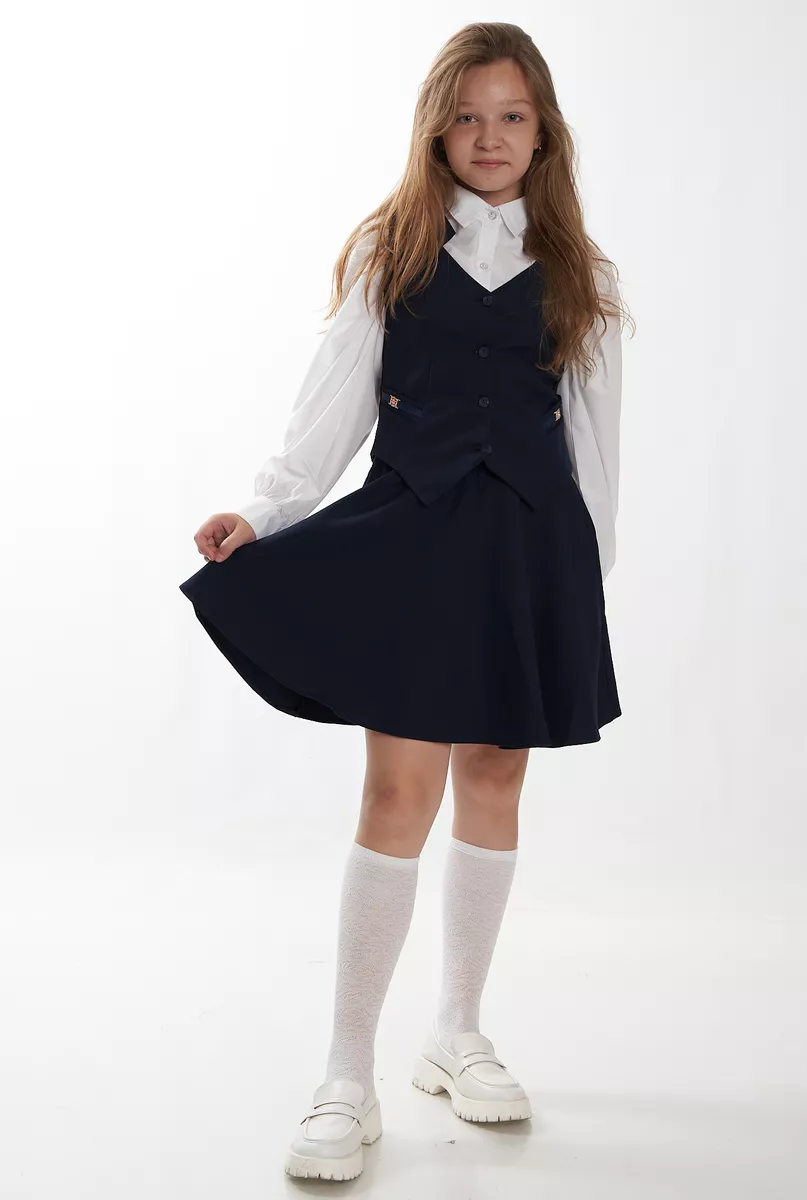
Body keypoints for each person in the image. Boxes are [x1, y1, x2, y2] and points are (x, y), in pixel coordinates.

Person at [178, 20, 630, 1183]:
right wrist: (269, 511)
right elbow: (331, 403)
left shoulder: (579, 271)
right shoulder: (396, 251)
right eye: (468, 116)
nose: (490, 136)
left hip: (529, 550)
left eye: (512, 116)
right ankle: (346, 1071)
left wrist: (585, 580)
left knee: (496, 773)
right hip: (417, 543)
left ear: (544, 133)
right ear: (437, 131)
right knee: (396, 786)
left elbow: (595, 440)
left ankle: (456, 1031)